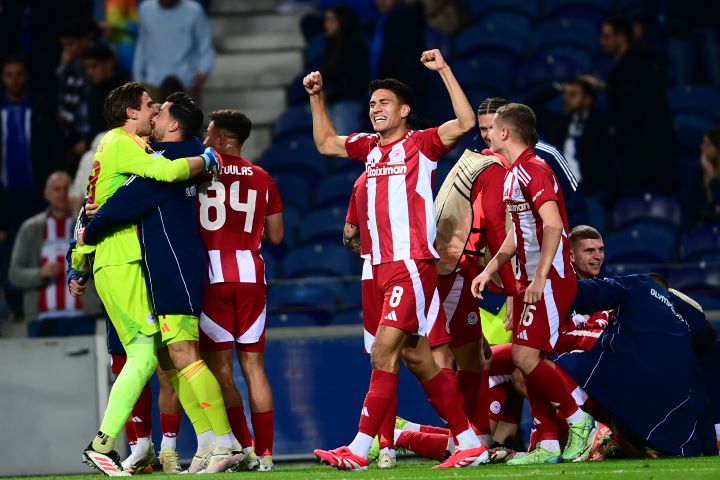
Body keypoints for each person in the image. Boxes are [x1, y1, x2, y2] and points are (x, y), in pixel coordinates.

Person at [304, 48, 488, 470]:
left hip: (410, 264)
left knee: (383, 353)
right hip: (378, 268)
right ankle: (469, 442)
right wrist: (317, 97)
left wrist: (443, 70)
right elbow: (326, 143)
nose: (376, 109)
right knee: (418, 359)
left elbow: (465, 123)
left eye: (384, 103)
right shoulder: (368, 148)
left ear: (405, 110)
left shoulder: (421, 145)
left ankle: (360, 448)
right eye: (372, 104)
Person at [75, 91, 242, 474]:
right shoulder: (149, 152)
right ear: (131, 112)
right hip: (143, 265)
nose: (154, 112)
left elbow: (120, 205)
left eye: (160, 109)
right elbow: (120, 198)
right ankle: (207, 442)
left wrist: (86, 233)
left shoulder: (165, 158)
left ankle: (223, 441)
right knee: (165, 358)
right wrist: (207, 159)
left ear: (174, 124)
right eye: (150, 105)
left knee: (175, 354)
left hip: (170, 266)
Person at [471, 103, 593, 465]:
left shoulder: (534, 169)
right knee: (527, 360)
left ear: (505, 132)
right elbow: (518, 234)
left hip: (550, 280)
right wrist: (490, 269)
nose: (486, 135)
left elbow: (553, 224)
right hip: (530, 281)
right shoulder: (513, 173)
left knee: (525, 357)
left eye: (492, 129)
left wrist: (539, 277)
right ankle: (549, 444)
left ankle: (580, 420)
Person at [197, 109, 285, 472]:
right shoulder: (263, 177)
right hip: (252, 277)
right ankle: (266, 454)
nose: (204, 140)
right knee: (255, 368)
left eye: (209, 134)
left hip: (211, 278)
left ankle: (245, 447)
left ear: (221, 139)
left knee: (221, 371)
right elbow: (276, 236)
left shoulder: (200, 173)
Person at [554, 273, 718, 457]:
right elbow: (707, 336)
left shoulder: (638, 283)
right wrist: (710, 450)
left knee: (545, 366)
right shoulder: (682, 323)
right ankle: (630, 443)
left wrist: (546, 290)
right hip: (677, 427)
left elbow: (586, 293)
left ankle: (569, 435)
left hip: (630, 379)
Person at [586, 15, 676, 195]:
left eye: (607, 36)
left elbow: (630, 112)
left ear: (622, 37)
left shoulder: (633, 69)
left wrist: (612, 143)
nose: (602, 42)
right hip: (646, 152)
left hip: (645, 156)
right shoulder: (633, 66)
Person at [0, 55, 60, 321]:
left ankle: (43, 305)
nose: (14, 80)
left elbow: (53, 150)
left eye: (19, 74)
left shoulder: (40, 108)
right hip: (6, 197)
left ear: (26, 76)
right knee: (8, 251)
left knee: (40, 247)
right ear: (3, 78)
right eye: (9, 74)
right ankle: (16, 306)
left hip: (37, 193)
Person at [8, 171, 100, 336]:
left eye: (66, 189)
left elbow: (101, 263)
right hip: (41, 320)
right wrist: (40, 273)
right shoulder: (31, 228)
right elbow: (14, 274)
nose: (62, 194)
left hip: (82, 318)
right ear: (46, 194)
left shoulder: (87, 226)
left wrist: (84, 217)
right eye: (57, 189)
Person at [476, 97, 588, 228]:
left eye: (494, 127)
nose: (489, 135)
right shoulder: (479, 159)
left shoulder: (548, 156)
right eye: (484, 129)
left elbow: (575, 207)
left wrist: (577, 238)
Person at [527, 79, 613, 205]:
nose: (566, 99)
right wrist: (558, 87)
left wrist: (602, 86)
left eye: (573, 94)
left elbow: (623, 105)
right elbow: (530, 106)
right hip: (560, 188)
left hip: (592, 189)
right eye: (565, 95)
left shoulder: (601, 123)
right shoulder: (558, 124)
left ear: (587, 99)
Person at [133, 0, 215, 102]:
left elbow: (205, 44)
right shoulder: (145, 9)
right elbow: (142, 44)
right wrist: (138, 77)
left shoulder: (194, 11)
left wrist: (203, 70)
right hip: (153, 84)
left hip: (187, 83)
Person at [319, 5, 370, 135]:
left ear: (342, 21)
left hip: (348, 104)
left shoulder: (355, 46)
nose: (327, 25)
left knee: (345, 143)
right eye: (326, 20)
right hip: (333, 103)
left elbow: (356, 81)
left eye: (331, 20)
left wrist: (333, 93)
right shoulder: (331, 45)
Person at [82, 42, 130, 145]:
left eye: (94, 66)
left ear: (109, 63)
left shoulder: (124, 91)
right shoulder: (91, 90)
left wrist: (86, 143)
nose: (89, 72)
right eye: (87, 67)